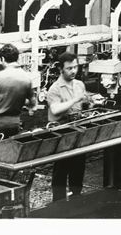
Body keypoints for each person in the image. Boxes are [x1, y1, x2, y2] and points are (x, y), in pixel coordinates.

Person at [47, 51, 89, 202]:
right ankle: (58, 203)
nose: (73, 71)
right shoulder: (55, 89)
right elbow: (55, 109)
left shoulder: (79, 85)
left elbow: (83, 104)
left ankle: (76, 198)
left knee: (78, 166)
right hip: (62, 133)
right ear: (60, 69)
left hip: (78, 131)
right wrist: (75, 99)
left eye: (75, 67)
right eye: (69, 68)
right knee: (61, 169)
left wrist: (91, 102)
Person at [0, 44, 36, 138]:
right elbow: (32, 102)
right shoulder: (26, 78)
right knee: (12, 145)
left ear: (3, 59)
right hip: (15, 123)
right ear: (17, 58)